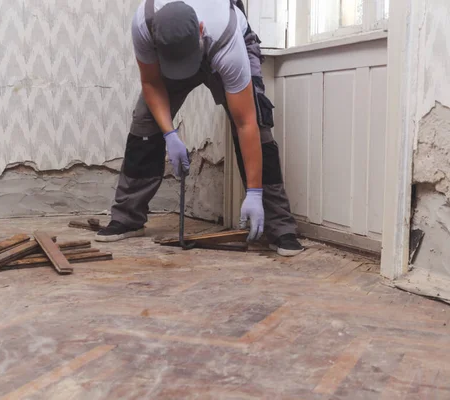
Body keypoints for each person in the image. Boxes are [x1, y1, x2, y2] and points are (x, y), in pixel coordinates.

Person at [96, 0, 304, 257]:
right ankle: (127, 217)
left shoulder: (226, 37)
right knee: (145, 123)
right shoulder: (144, 23)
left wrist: (254, 192)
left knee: (258, 127)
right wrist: (169, 134)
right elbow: (151, 82)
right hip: (178, 51)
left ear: (201, 29)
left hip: (218, 50)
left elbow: (245, 122)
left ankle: (279, 225)